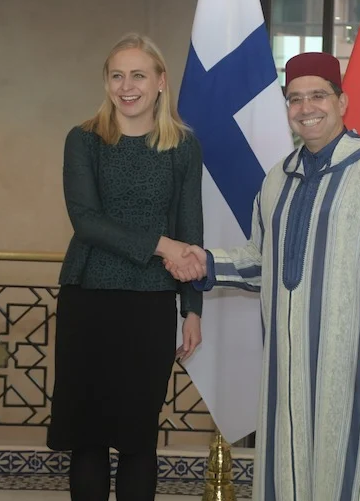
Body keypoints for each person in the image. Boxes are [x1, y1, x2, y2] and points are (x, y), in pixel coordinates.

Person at [166, 52, 360, 501]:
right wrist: (203, 261)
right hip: (286, 362)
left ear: (342, 101)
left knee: (352, 470)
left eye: (318, 95)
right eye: (295, 99)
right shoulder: (277, 180)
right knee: (288, 469)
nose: (306, 108)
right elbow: (261, 261)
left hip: (354, 361)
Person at [47, 33, 206, 501]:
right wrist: (161, 244)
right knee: (88, 436)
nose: (126, 86)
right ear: (106, 83)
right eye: (117, 75)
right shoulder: (83, 140)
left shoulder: (183, 147)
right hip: (88, 298)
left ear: (160, 82)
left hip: (150, 304)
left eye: (138, 75)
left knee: (138, 437)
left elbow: (190, 230)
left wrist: (192, 309)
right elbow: (86, 221)